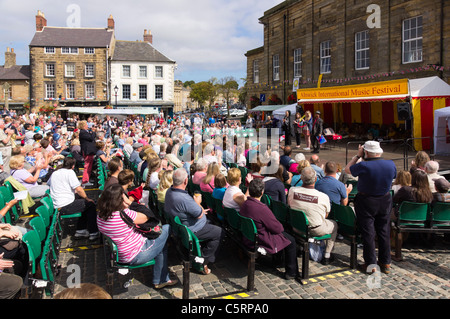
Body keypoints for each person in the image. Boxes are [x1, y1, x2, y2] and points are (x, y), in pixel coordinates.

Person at [97, 184, 176, 289]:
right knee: (166, 228)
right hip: (135, 253)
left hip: (120, 253)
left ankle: (161, 279)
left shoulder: (100, 216)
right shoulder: (123, 214)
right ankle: (161, 278)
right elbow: (147, 215)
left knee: (161, 246)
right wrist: (130, 203)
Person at [345, 141, 397, 274]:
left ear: (366, 152)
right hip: (385, 199)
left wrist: (357, 156)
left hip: (367, 200)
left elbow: (347, 169)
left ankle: (371, 263)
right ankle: (386, 262)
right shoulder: (390, 164)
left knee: (368, 232)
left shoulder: (364, 165)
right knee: (384, 231)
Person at [164, 168, 224, 275]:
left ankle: (203, 252)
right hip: (193, 228)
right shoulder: (183, 198)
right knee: (219, 232)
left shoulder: (169, 191)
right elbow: (199, 214)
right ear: (186, 181)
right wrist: (198, 203)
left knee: (211, 222)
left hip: (183, 225)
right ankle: (202, 260)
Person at [240, 179, 299, 280]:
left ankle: (278, 261)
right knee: (291, 241)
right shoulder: (261, 208)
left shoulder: (245, 203)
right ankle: (291, 272)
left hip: (250, 235)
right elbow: (277, 228)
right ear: (262, 192)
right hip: (261, 239)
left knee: (285, 235)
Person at [287, 166, 338, 265]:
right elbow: (326, 214)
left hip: (297, 227)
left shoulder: (292, 191)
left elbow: (289, 204)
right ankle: (327, 255)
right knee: (334, 224)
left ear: (301, 178)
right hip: (315, 229)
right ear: (315, 179)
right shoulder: (323, 197)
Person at [48, 157, 99, 240]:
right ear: (73, 166)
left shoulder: (55, 173)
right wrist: (87, 198)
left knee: (83, 203)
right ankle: (93, 232)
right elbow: (78, 189)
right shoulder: (70, 172)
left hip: (57, 203)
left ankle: (81, 229)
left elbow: (49, 183)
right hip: (64, 205)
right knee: (90, 204)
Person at [78, 120, 97, 187]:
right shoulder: (83, 132)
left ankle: (87, 179)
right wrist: (93, 132)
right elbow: (91, 138)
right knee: (87, 166)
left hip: (89, 151)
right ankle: (85, 180)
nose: (87, 125)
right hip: (87, 151)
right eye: (86, 124)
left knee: (89, 166)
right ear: (83, 126)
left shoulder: (85, 132)